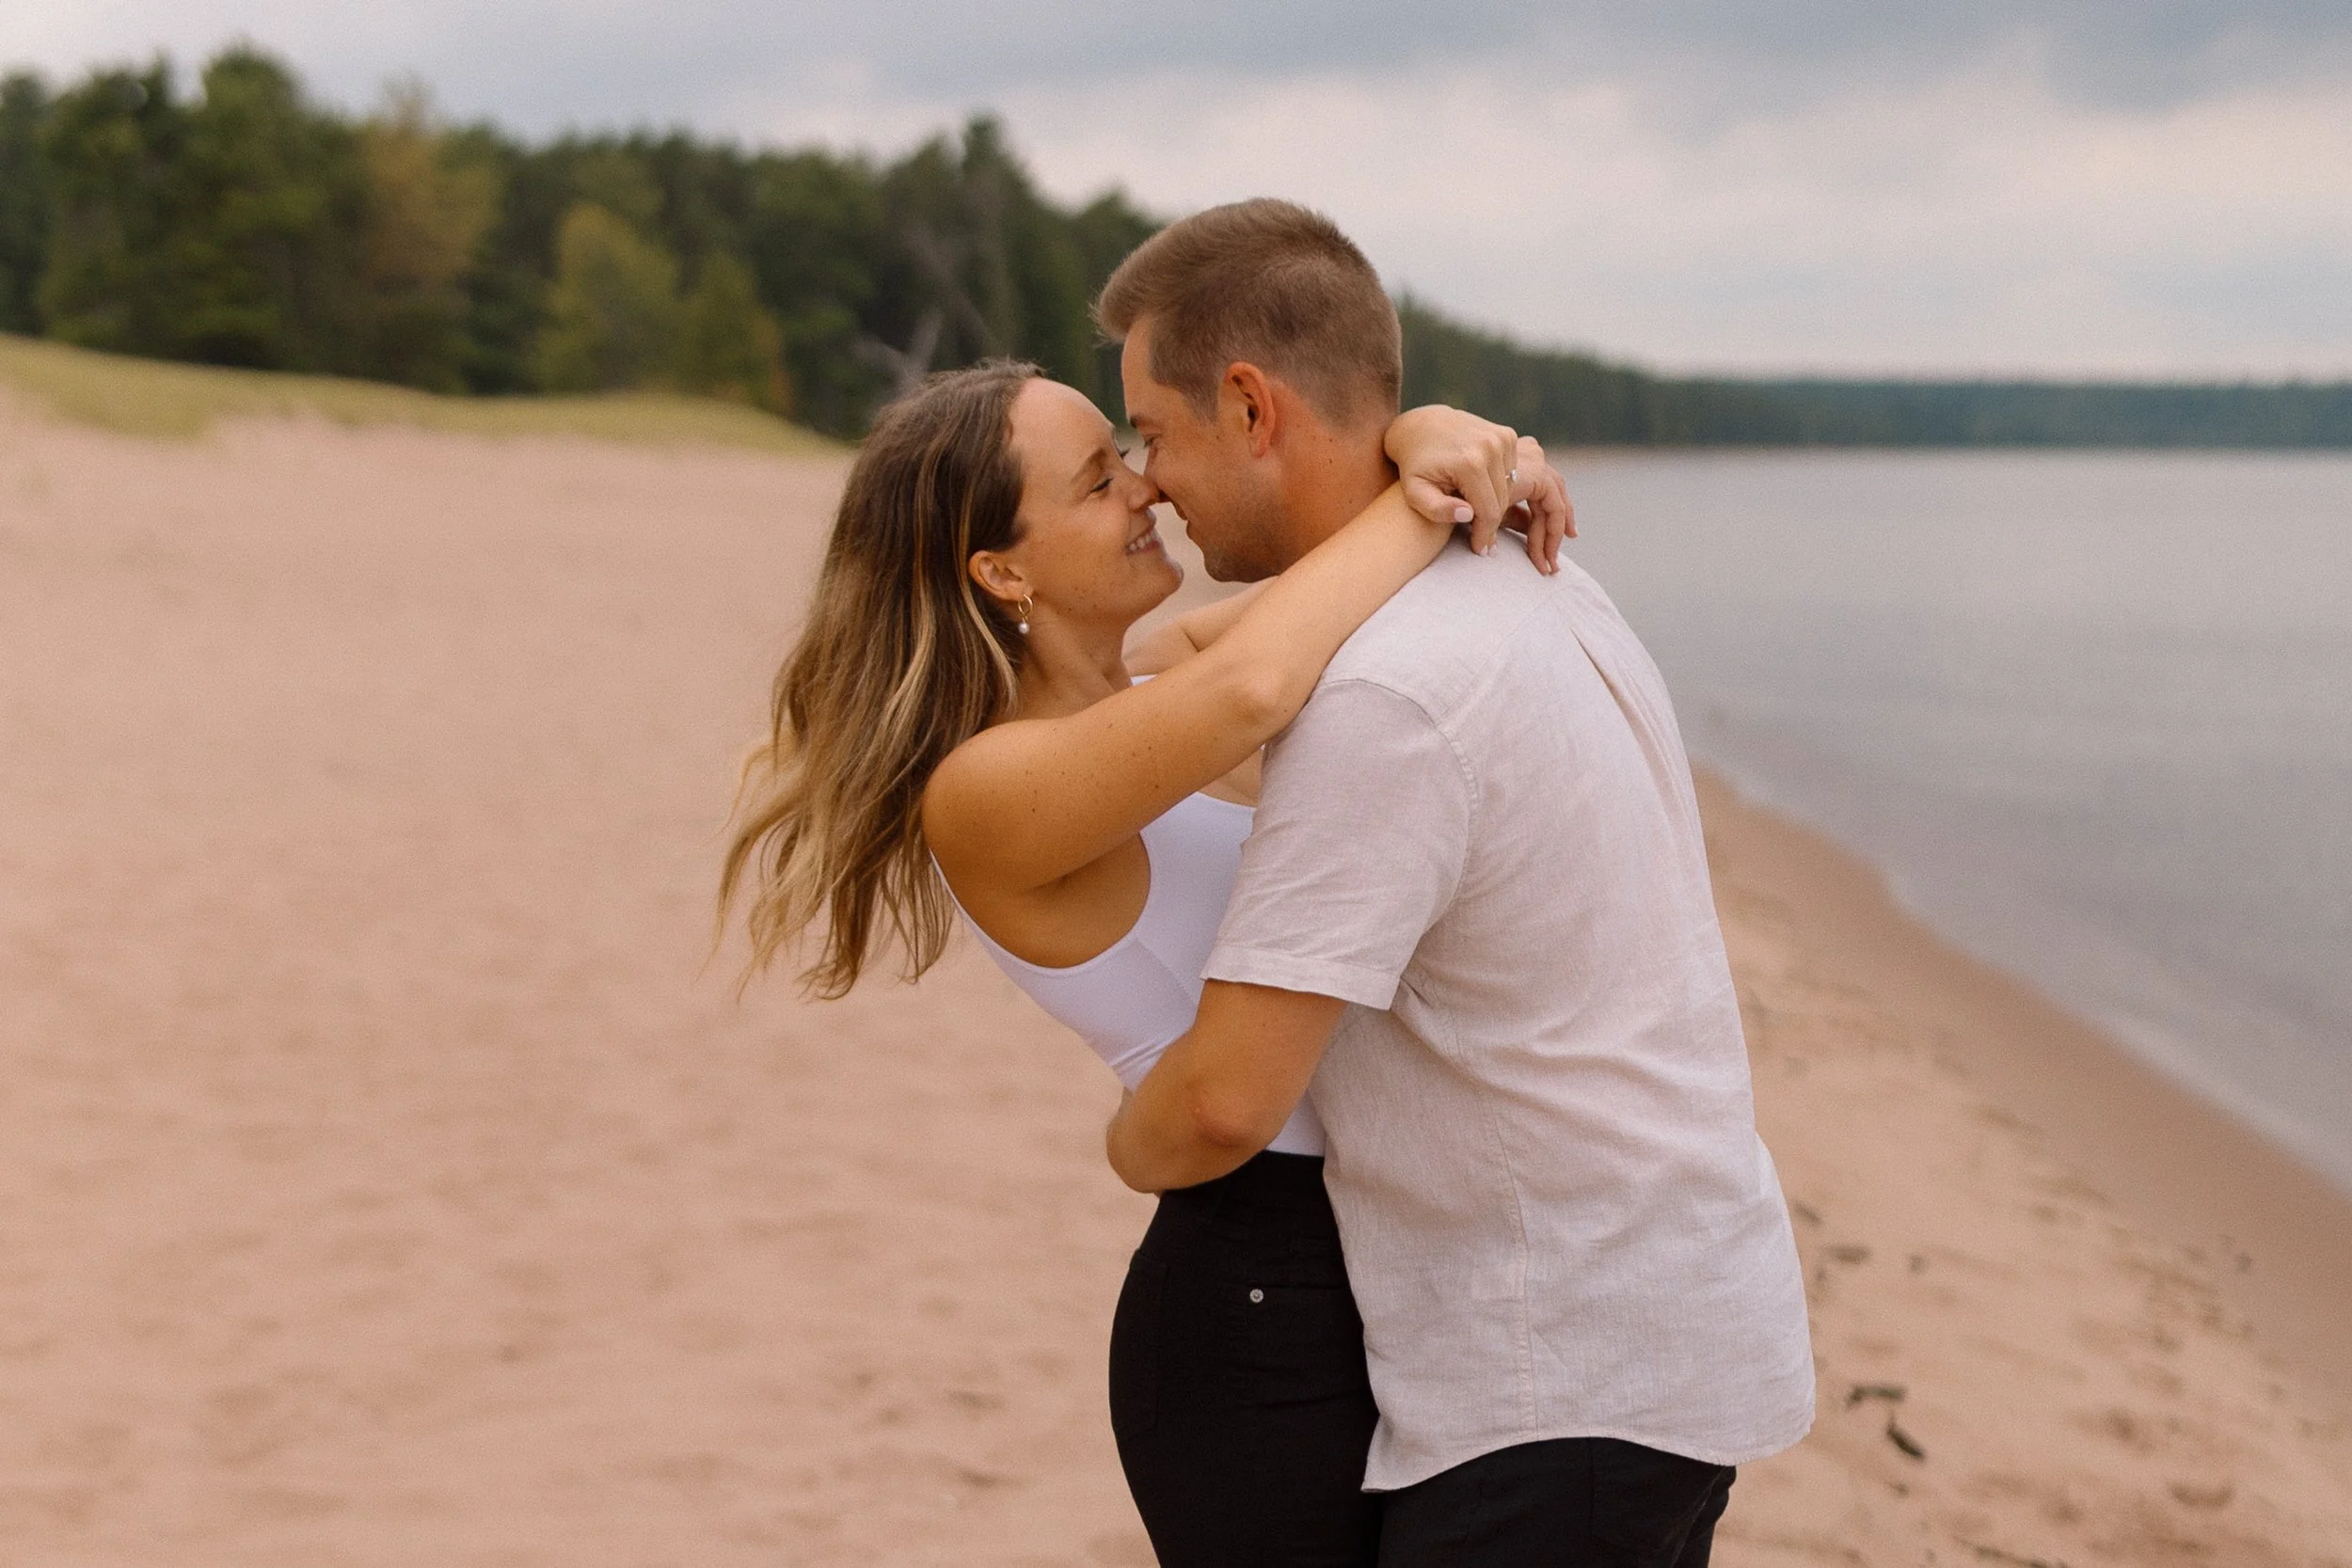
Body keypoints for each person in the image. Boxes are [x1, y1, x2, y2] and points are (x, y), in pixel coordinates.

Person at [719, 356, 1573, 1566]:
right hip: (1254, 1293)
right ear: (1000, 570)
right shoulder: (989, 789)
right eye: (1094, 480)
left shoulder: (1157, 687)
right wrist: (1424, 481)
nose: (1146, 492)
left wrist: (1430, 431)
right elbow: (1268, 673)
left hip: (1381, 1252)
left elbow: (1337, 593)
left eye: (1126, 455)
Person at [1097, 198, 1817, 1567]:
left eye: (1155, 430)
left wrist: (1124, 1141)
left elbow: (1225, 1102)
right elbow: (1171, 697)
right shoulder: (1528, 575)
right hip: (1666, 1322)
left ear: (1251, 407)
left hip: (1565, 1374)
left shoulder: (1389, 690)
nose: (1148, 479)